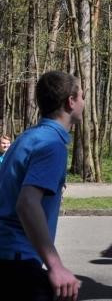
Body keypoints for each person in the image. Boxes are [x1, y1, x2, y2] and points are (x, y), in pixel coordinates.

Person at [0, 71, 83, 301]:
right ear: (70, 101)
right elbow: (27, 203)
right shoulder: (51, 146)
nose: (84, 103)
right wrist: (56, 266)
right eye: (82, 97)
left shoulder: (27, 138)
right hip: (17, 263)